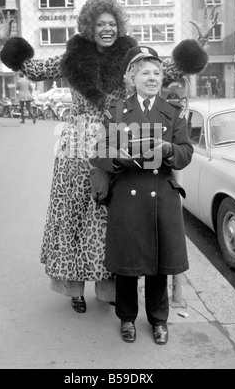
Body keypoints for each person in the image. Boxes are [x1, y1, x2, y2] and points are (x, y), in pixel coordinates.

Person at [0, 0, 217, 314]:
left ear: (119, 26)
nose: (107, 29)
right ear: (89, 27)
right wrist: (7, 42)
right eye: (100, 24)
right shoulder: (70, 58)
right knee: (70, 219)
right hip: (73, 149)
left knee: (107, 221)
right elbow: (32, 69)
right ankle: (74, 289)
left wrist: (202, 40)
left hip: (114, 148)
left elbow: (166, 69)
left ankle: (108, 288)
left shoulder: (130, 64)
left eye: (112, 23)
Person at [89, 46, 193, 345]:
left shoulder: (173, 112)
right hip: (128, 194)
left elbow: (186, 152)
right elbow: (99, 152)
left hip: (161, 194)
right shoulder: (117, 111)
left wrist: (170, 150)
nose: (152, 78)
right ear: (131, 79)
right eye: (145, 72)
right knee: (128, 264)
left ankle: (159, 320)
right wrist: (119, 158)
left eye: (157, 73)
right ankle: (127, 319)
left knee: (160, 264)